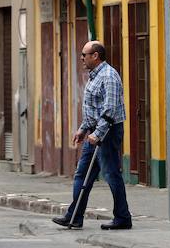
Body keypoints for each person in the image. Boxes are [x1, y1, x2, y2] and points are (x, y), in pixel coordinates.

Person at [52, 40, 132, 230]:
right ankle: (74, 217)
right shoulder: (94, 76)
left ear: (95, 56)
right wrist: (83, 128)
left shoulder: (109, 76)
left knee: (111, 174)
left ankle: (122, 218)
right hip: (94, 132)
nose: (81, 58)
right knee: (82, 174)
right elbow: (93, 109)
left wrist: (98, 133)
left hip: (107, 133)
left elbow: (110, 110)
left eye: (84, 55)